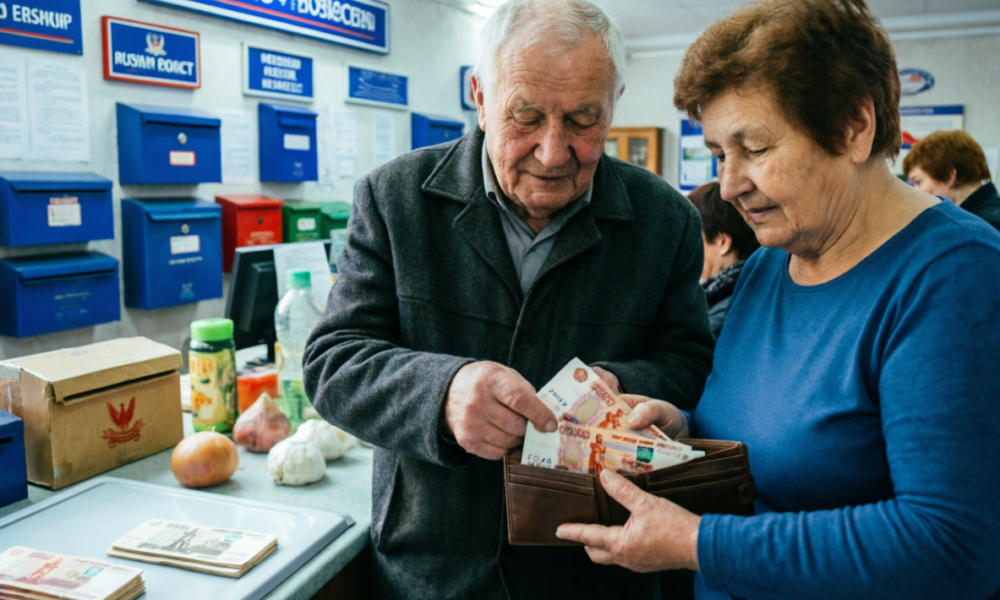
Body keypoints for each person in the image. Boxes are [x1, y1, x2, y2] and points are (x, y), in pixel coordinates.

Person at [555, 1, 1000, 599]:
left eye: (756, 148)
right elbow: (770, 445)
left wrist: (697, 543)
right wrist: (680, 431)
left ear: (854, 126)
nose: (730, 183)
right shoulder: (769, 264)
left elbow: (953, 546)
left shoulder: (955, 277)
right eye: (718, 153)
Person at [302, 0, 716, 597]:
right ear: (479, 94)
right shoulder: (394, 200)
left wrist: (619, 389)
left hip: (597, 575)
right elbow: (333, 361)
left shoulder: (667, 222)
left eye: (582, 120)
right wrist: (442, 393)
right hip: (431, 569)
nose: (552, 152)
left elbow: (690, 364)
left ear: (615, 99)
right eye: (525, 115)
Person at [687, 182, 759, 336]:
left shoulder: (730, 309)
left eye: (695, 240)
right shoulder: (753, 283)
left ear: (723, 242)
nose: (688, 250)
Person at [903, 129, 1000, 231]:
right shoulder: (975, 216)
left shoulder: (982, 225)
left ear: (949, 176)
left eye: (918, 182)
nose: (915, 191)